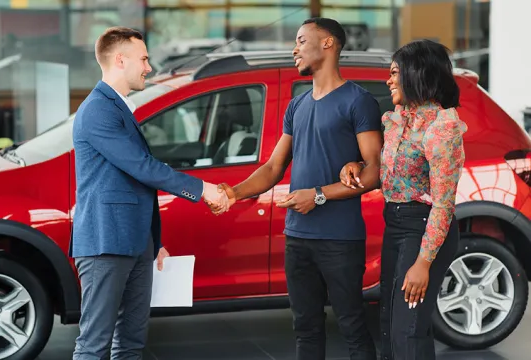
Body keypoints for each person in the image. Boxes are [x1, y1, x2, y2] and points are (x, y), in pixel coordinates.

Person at [215, 18, 382, 360]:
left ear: (328, 44)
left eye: (302, 40)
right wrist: (233, 192)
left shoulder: (358, 101)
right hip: (298, 237)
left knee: (352, 326)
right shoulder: (297, 105)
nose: (295, 48)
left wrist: (318, 195)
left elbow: (375, 172)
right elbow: (274, 167)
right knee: (305, 328)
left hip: (340, 239)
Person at [70, 26, 228, 360]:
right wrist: (202, 189)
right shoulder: (98, 109)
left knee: (131, 341)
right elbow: (141, 167)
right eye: (144, 58)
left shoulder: (116, 106)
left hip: (134, 242)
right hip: (105, 243)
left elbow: (134, 178)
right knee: (94, 344)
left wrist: (153, 243)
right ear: (120, 59)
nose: (149, 67)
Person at [339, 39, 467, 360]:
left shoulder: (442, 129)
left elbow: (443, 204)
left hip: (423, 229)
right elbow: (387, 169)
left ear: (416, 74)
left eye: (395, 73)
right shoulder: (397, 119)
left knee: (406, 329)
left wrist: (423, 263)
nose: (388, 80)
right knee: (391, 324)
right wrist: (356, 163)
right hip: (395, 224)